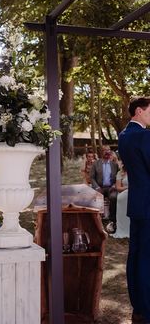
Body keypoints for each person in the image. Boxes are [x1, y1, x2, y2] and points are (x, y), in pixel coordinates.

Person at [118, 96, 150, 324]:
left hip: (137, 203)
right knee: (146, 258)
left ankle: (138, 306)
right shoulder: (143, 135)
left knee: (136, 255)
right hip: (149, 204)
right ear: (139, 111)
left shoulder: (124, 135)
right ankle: (147, 310)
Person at [90, 146, 119, 232]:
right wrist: (97, 187)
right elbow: (92, 177)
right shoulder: (96, 164)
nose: (107, 152)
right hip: (100, 188)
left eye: (108, 150)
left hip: (111, 188)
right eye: (104, 150)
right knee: (95, 198)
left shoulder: (115, 165)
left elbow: (118, 177)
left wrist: (114, 185)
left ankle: (112, 221)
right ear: (101, 152)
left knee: (114, 197)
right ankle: (96, 221)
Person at [112, 165, 130, 239]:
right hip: (123, 194)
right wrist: (129, 187)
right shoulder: (120, 173)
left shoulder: (136, 170)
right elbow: (118, 188)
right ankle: (123, 229)